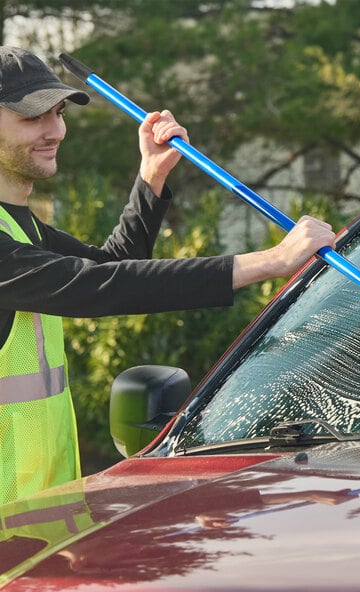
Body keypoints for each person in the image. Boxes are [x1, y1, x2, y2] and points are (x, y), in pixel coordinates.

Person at [0, 47, 336, 504]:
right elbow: (95, 289)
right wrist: (271, 261)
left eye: (57, 113)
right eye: (32, 117)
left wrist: (151, 177)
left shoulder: (19, 225)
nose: (55, 130)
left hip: (36, 521)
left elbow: (109, 268)